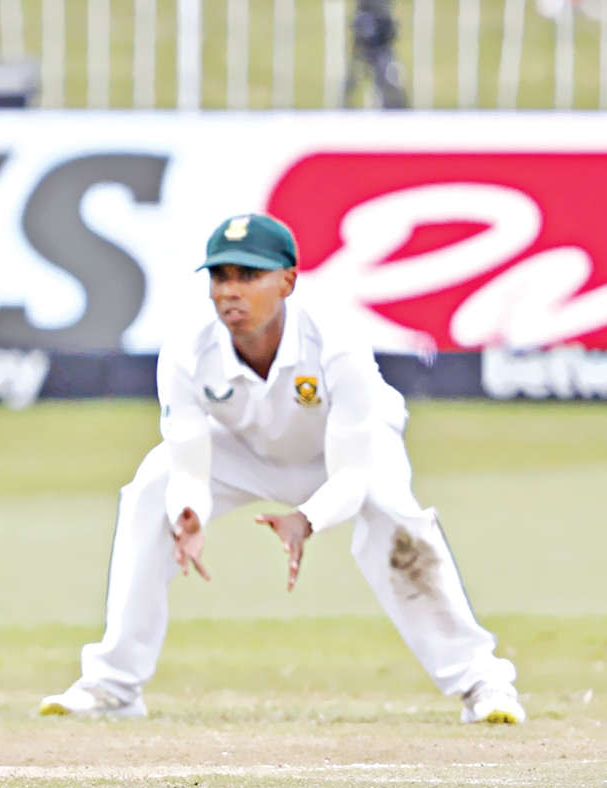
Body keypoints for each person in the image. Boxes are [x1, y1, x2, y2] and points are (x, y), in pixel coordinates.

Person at [38, 213, 524, 725]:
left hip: (346, 452)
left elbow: (352, 476)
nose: (231, 291)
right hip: (245, 448)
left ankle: (482, 681)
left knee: (394, 516)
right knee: (150, 490)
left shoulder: (334, 338)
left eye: (249, 276)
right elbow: (188, 461)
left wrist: (306, 519)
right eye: (220, 276)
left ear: (288, 281)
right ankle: (114, 686)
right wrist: (188, 512)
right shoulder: (187, 346)